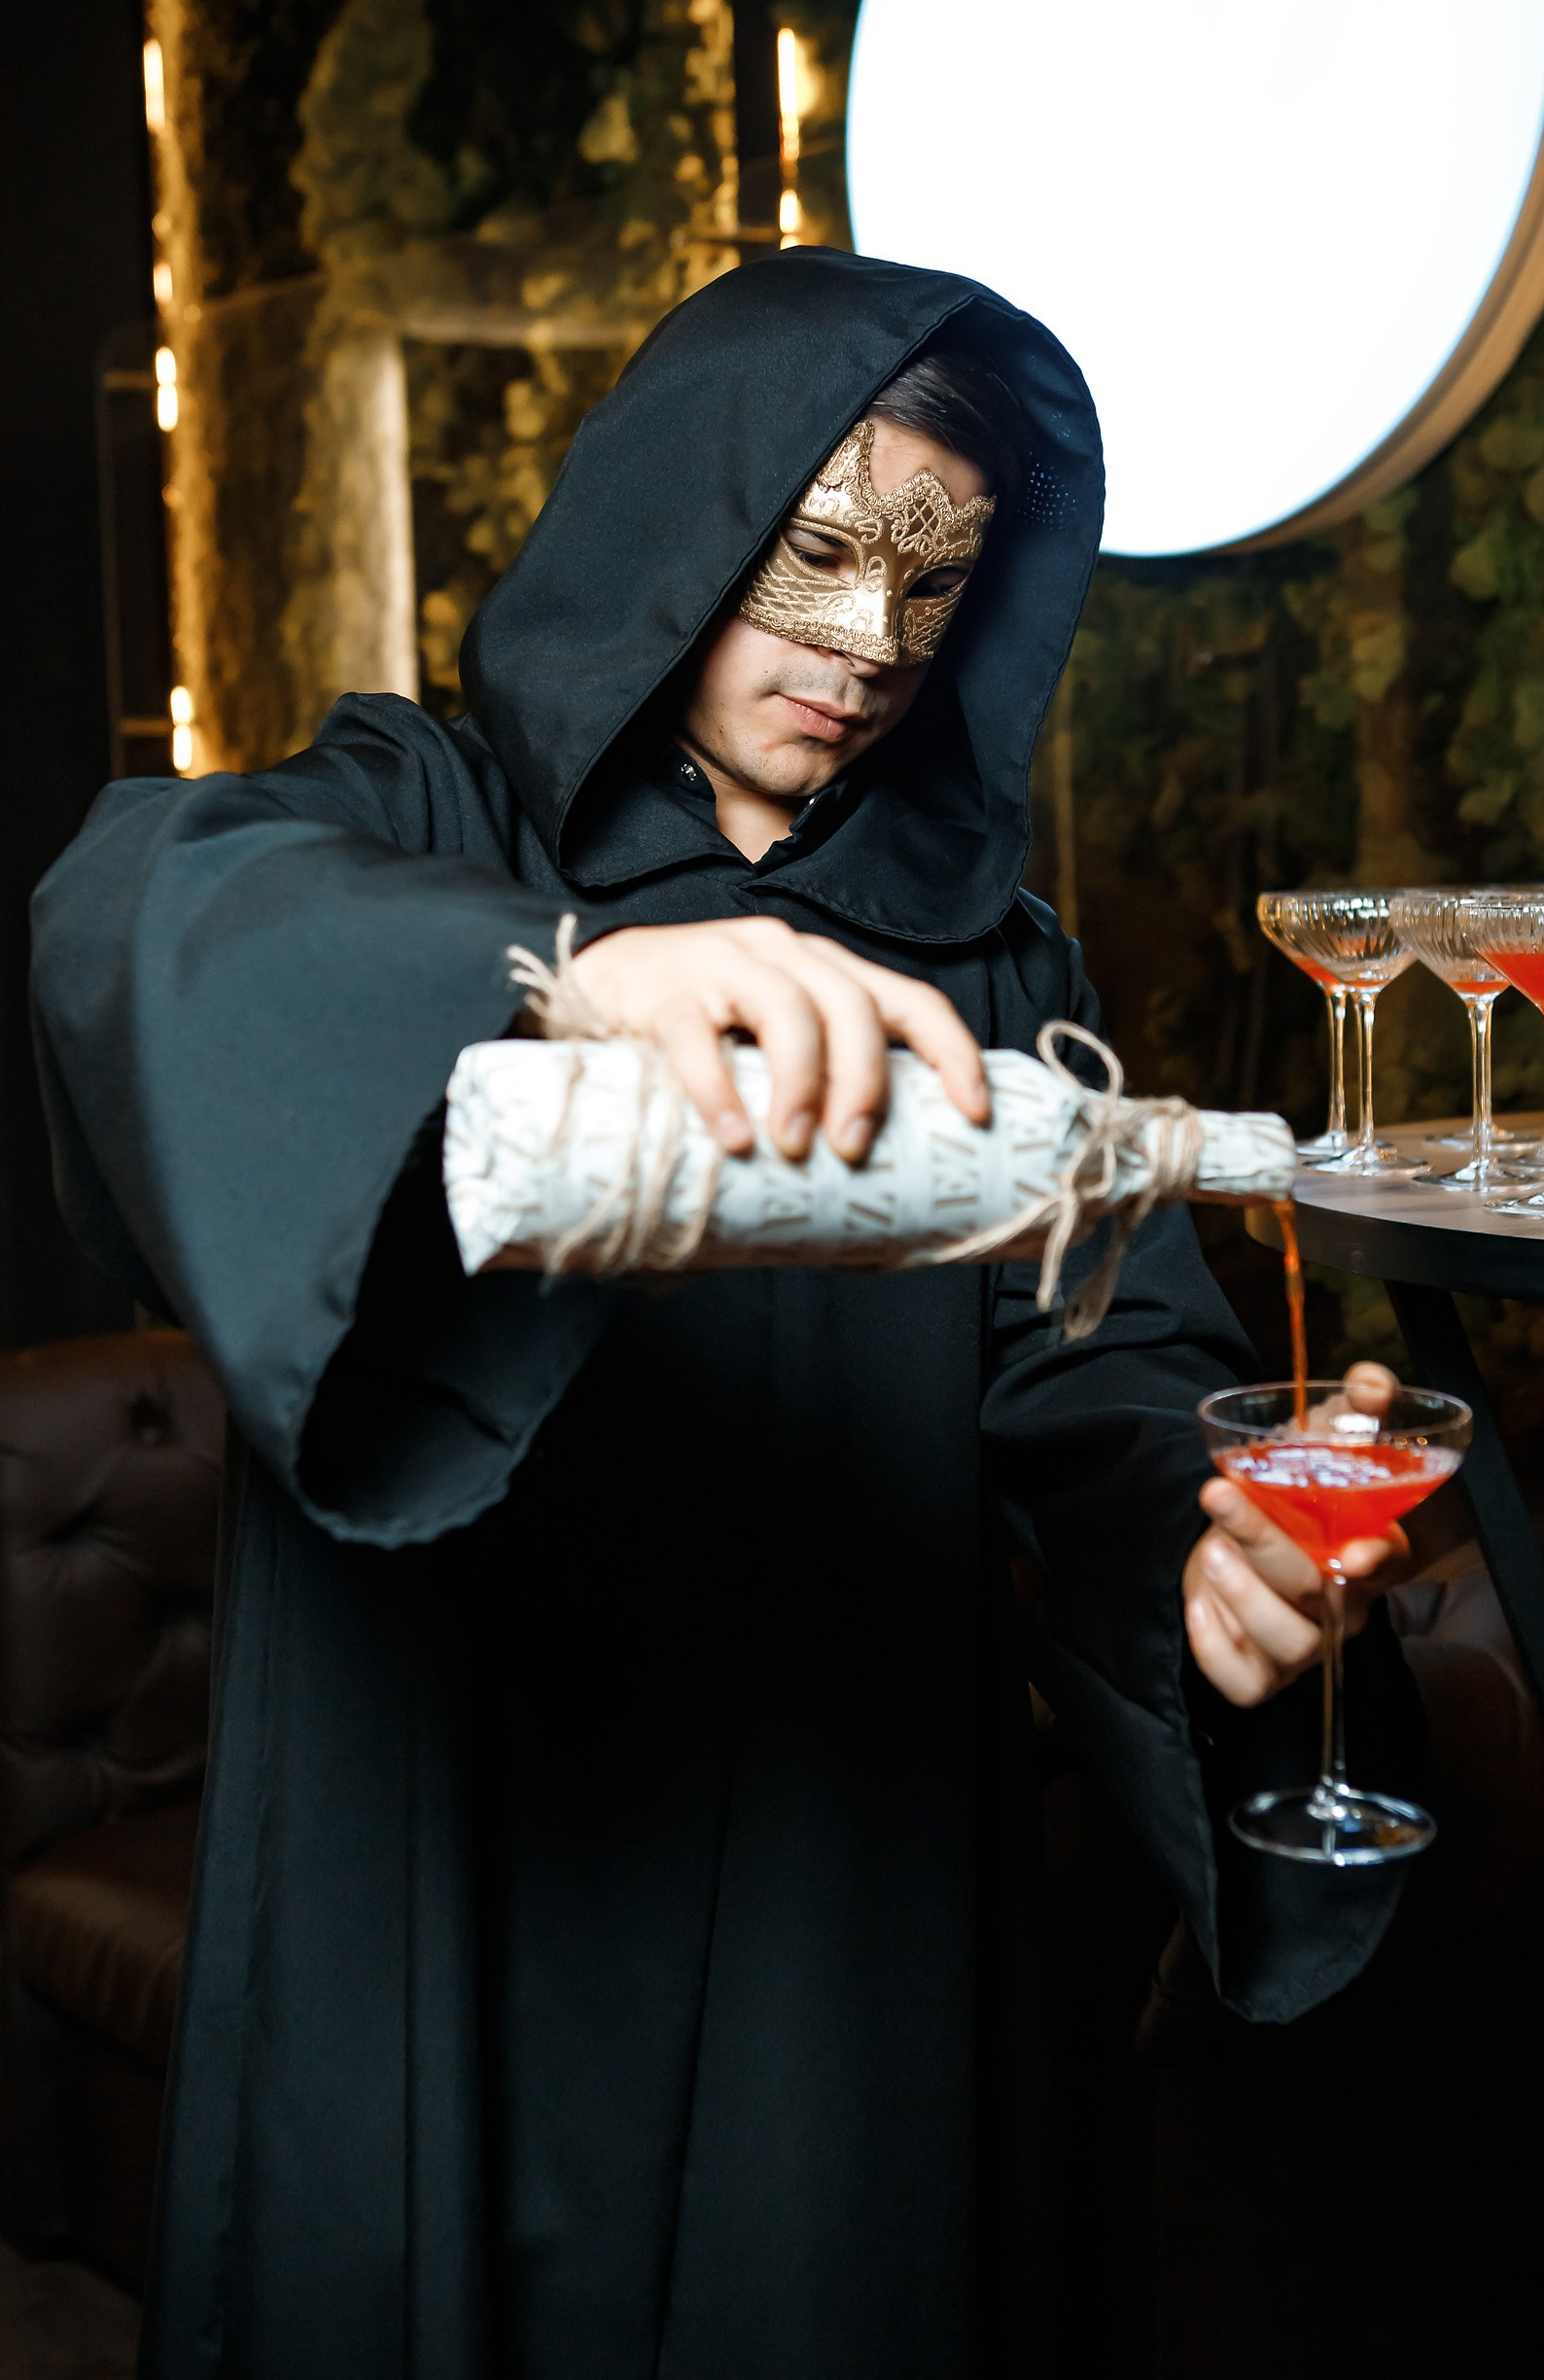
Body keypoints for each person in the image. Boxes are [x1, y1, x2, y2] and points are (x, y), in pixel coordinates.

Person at [31, 250, 1425, 2380]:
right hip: (460, 1829)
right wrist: (552, 974)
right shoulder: (422, 811)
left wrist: (1213, 1551)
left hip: (835, 1873)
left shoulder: (1000, 962)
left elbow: (1109, 1365)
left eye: (932, 580)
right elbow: (132, 904)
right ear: (684, 516)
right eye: (820, 553)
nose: (869, 644)